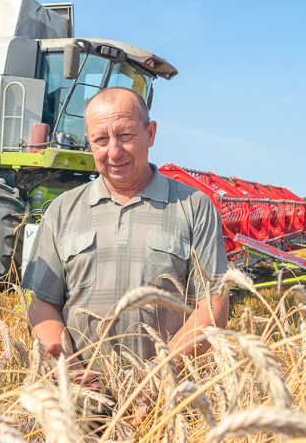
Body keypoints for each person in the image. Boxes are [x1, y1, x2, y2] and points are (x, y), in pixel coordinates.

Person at [21, 87, 229, 372]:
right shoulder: (62, 210)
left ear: (150, 134)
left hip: (168, 392)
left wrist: (161, 371)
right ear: (89, 142)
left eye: (125, 135)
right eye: (101, 139)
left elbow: (213, 305)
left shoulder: (194, 207)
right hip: (80, 390)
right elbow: (40, 303)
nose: (114, 151)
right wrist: (70, 368)